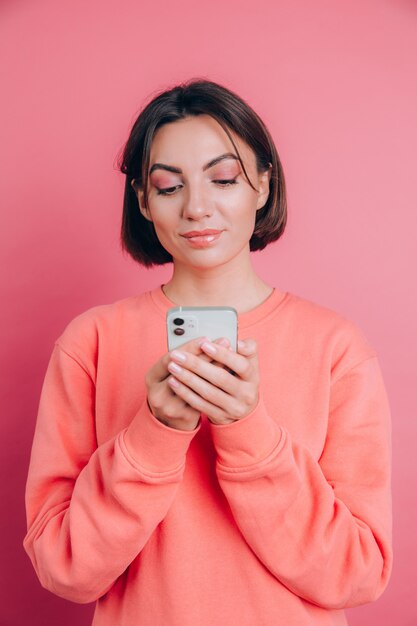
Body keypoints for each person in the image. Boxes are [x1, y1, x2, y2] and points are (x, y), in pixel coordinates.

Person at [23, 78, 393, 626]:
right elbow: (64, 569)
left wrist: (249, 431)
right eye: (169, 187)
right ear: (143, 201)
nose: (197, 207)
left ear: (264, 184)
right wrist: (154, 434)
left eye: (223, 179)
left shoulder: (337, 348)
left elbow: (358, 574)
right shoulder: (90, 343)